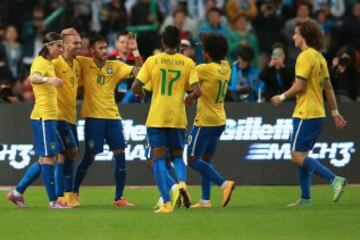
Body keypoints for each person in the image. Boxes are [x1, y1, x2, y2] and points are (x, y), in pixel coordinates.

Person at [271, 19, 347, 207]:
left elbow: (300, 85)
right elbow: (328, 88)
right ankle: (305, 198)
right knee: (301, 157)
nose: (293, 37)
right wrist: (335, 112)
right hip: (317, 113)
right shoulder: (319, 57)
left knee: (297, 156)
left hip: (306, 113)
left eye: (296, 33)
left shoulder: (304, 56)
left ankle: (334, 179)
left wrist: (281, 97)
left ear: (304, 35)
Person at [131, 25, 201, 213]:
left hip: (157, 118)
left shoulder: (153, 61)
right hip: (178, 118)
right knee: (178, 157)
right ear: (179, 43)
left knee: (159, 160)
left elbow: (135, 86)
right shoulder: (188, 63)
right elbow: (197, 91)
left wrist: (142, 94)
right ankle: (183, 184)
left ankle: (167, 203)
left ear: (162, 42)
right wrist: (190, 98)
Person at [73, 33, 141, 207]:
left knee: (120, 154)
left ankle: (119, 198)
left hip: (113, 117)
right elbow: (68, 56)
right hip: (93, 118)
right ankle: (73, 193)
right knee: (89, 157)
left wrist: (136, 52)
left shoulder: (115, 65)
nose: (104, 51)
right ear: (92, 50)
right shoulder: (83, 62)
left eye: (105, 47)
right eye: (100, 48)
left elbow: (139, 72)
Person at [7, 32, 68, 209]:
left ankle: (17, 193)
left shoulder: (49, 62)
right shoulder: (40, 62)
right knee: (49, 158)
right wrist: (48, 79)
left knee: (45, 159)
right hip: (43, 116)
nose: (61, 49)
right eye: (58, 46)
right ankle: (53, 201)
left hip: (51, 117)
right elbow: (32, 78)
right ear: (48, 46)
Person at [187, 33, 235, 208]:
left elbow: (190, 72)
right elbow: (218, 54)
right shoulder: (226, 66)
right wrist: (208, 43)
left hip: (205, 122)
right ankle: (205, 200)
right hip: (220, 120)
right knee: (205, 161)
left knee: (192, 159)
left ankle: (224, 184)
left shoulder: (205, 70)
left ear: (207, 53)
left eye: (205, 50)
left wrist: (190, 96)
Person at [52, 28, 82, 207]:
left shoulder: (77, 65)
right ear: (63, 46)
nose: (79, 46)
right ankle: (61, 196)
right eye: (75, 43)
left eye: (80, 42)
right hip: (58, 116)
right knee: (67, 153)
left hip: (71, 117)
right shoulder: (55, 63)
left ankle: (67, 195)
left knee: (69, 155)